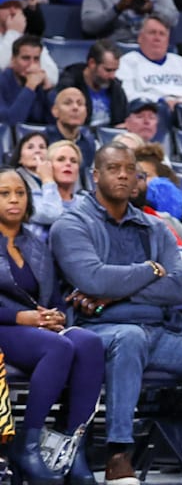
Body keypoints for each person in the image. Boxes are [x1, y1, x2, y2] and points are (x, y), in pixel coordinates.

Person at [51, 143, 182, 485]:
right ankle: (118, 455)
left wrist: (110, 295)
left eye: (130, 169)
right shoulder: (71, 225)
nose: (124, 175)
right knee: (130, 336)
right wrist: (147, 270)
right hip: (98, 332)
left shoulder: (155, 228)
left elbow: (179, 288)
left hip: (164, 333)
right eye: (114, 168)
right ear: (95, 175)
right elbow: (91, 278)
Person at [0, 165, 104, 485]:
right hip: (5, 326)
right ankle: (27, 447)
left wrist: (56, 315)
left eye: (20, 193)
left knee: (88, 342)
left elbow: (53, 295)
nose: (14, 200)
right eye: (4, 194)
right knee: (57, 347)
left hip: (36, 327)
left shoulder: (35, 243)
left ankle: (70, 447)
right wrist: (21, 318)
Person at [116, 15, 182, 108]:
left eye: (162, 34)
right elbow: (127, 95)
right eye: (152, 33)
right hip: (153, 112)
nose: (157, 38)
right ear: (140, 38)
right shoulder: (127, 62)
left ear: (167, 40)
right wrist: (162, 101)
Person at [57, 40, 126, 128]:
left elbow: (123, 119)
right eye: (108, 70)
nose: (112, 76)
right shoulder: (69, 84)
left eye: (115, 70)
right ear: (92, 63)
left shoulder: (116, 88)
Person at [11, 132, 65, 228]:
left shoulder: (60, 179)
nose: (37, 151)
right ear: (20, 158)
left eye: (42, 147)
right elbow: (51, 214)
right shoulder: (13, 181)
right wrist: (48, 180)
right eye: (30, 147)